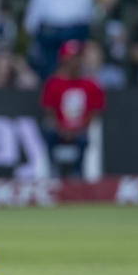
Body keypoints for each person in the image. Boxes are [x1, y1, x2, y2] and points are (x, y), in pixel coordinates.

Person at [40, 40, 105, 178]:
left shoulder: (90, 84)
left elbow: (94, 113)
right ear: (64, 60)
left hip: (80, 130)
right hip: (59, 129)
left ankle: (78, 174)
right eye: (72, 58)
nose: (76, 62)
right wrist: (62, 129)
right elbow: (49, 111)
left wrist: (78, 129)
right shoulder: (54, 83)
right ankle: (53, 172)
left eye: (78, 58)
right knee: (49, 133)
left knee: (83, 139)